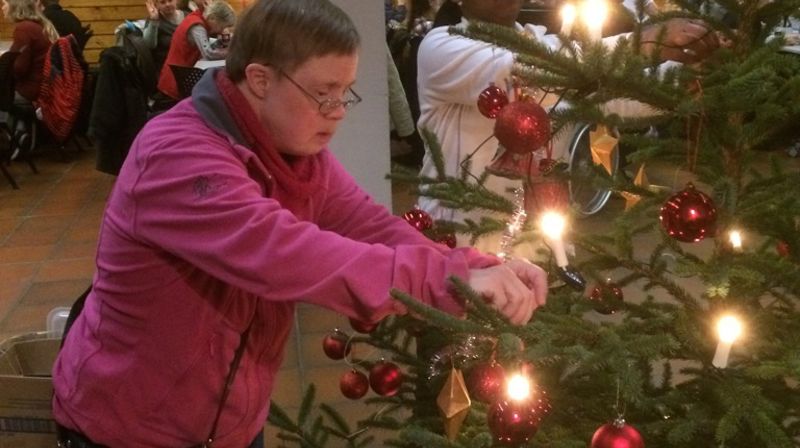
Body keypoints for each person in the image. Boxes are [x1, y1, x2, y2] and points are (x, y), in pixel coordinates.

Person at [52, 0, 549, 446]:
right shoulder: (177, 154)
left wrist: (479, 266)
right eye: (323, 93)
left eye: (345, 94)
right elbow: (287, 254)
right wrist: (450, 279)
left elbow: (369, 225)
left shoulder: (295, 152)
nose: (337, 113)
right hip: (130, 427)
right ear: (261, 79)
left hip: (228, 420)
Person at [415, 0, 719, 254]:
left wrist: (686, 80)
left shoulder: (545, 43)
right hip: (457, 241)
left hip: (536, 242)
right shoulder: (443, 45)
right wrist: (641, 43)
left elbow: (607, 100)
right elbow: (530, 69)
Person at [1, 0, 57, 156]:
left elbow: (19, 69)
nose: (2, 8)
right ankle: (18, 131)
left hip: (29, 91)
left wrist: (5, 65)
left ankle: (9, 137)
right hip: (41, 86)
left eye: (4, 3)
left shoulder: (23, 29)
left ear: (15, 6)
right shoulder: (36, 26)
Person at [156, 0, 235, 100]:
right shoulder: (197, 26)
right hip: (175, 81)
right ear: (213, 19)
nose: (222, 30)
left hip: (184, 73)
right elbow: (209, 53)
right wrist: (232, 53)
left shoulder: (200, 17)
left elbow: (211, 45)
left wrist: (225, 38)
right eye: (222, 26)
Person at [143, 0, 185, 73]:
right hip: (167, 68)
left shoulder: (188, 16)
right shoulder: (153, 19)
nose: (167, 4)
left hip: (188, 62)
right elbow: (149, 45)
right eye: (162, 2)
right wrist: (154, 21)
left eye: (170, 0)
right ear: (157, 5)